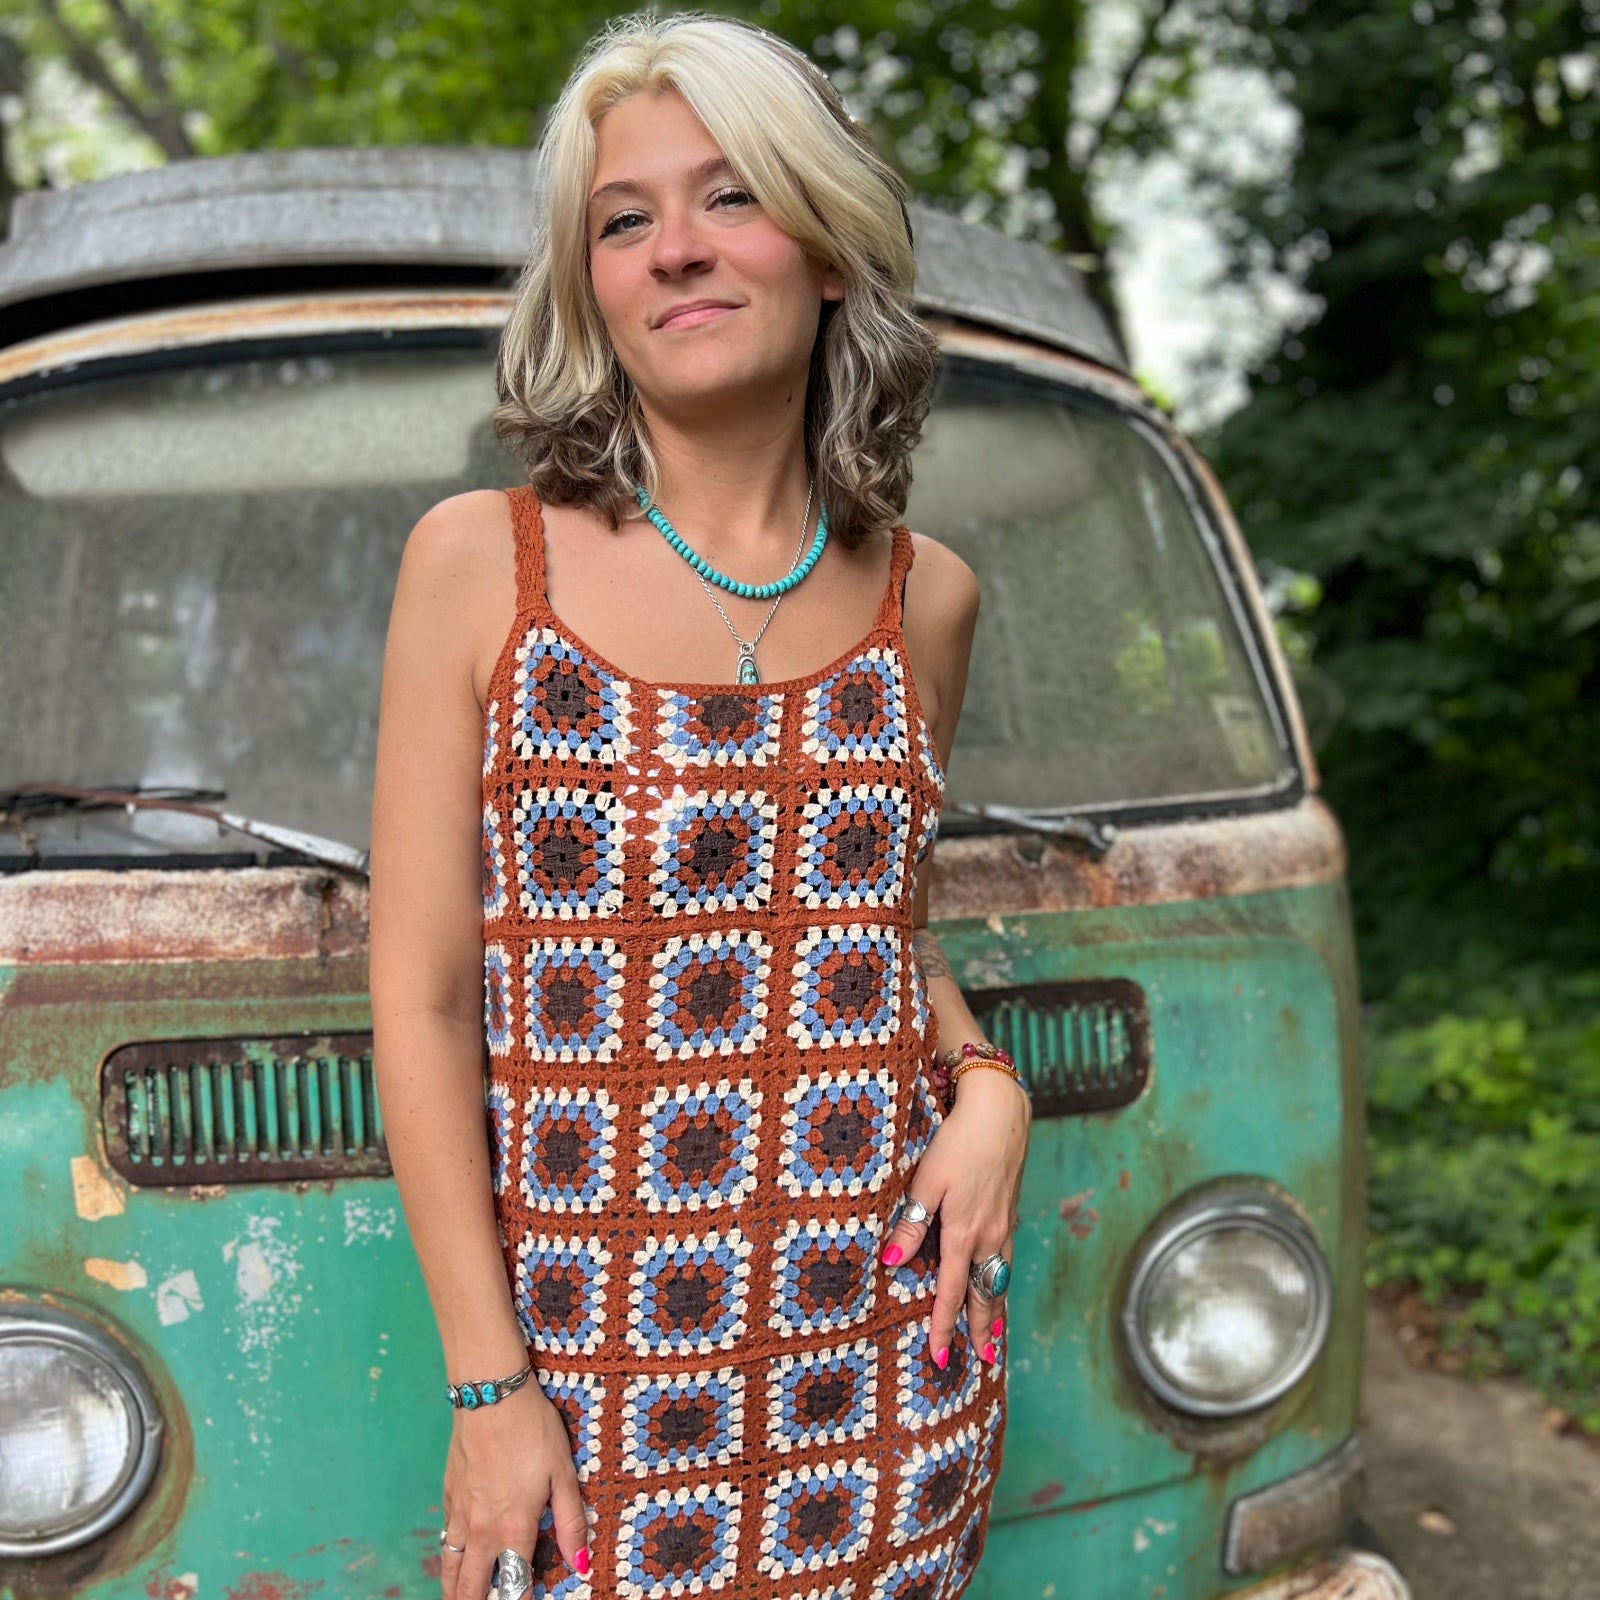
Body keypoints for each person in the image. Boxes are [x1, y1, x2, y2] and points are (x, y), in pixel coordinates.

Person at [369, 12, 1032, 1599]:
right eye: (624, 219)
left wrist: (988, 1082)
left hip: (887, 1387)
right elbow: (424, 992)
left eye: (731, 197)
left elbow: (880, 925)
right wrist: (490, 1386)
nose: (676, 250)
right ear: (590, 283)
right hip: (588, 1408)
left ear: (827, 248)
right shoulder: (482, 563)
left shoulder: (924, 599)